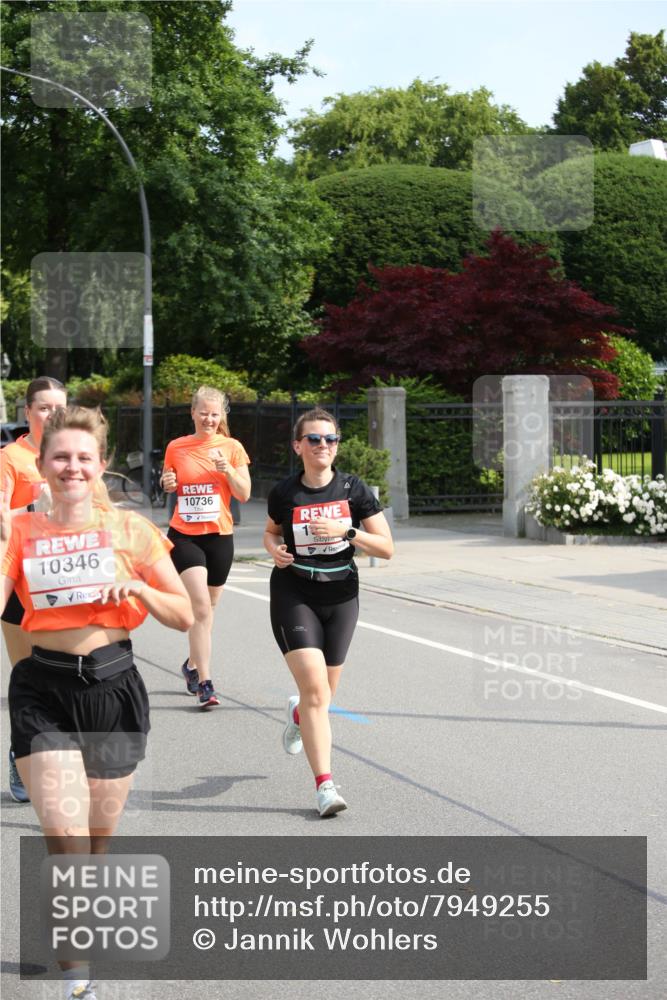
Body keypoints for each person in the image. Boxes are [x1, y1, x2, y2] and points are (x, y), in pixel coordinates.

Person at [0, 405, 193, 1000]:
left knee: (96, 840)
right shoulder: (21, 531)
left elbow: (185, 613)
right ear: (42, 464)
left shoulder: (131, 530)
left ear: (101, 464)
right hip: (43, 691)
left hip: (114, 689)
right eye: (61, 457)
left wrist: (139, 588)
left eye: (84, 457)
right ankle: (75, 969)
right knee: (65, 835)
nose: (72, 467)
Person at [263, 407, 393, 817]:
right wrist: (274, 551)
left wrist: (347, 532)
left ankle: (298, 712)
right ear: (298, 446)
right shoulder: (285, 492)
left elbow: (387, 547)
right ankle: (325, 787)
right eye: (315, 439)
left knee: (321, 697)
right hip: (294, 592)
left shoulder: (353, 490)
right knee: (317, 693)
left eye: (331, 439)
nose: (323, 445)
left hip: (341, 596)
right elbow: (270, 532)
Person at [161, 386, 251, 708]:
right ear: (193, 413)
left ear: (221, 416)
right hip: (184, 535)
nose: (209, 419)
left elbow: (244, 494)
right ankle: (205, 682)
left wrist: (227, 470)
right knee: (200, 607)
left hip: (220, 536)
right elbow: (168, 481)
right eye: (203, 413)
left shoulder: (232, 447)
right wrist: (167, 483)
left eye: (214, 414)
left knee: (209, 609)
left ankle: (191, 664)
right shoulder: (177, 447)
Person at [1, 375, 67, 802]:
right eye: (44, 407)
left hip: (66, 582)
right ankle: (21, 753)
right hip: (22, 582)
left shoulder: (72, 454)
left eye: (59, 407)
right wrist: (32, 511)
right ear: (28, 412)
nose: (52, 414)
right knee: (28, 677)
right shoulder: (11, 457)